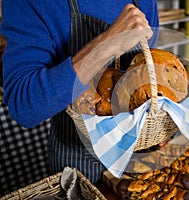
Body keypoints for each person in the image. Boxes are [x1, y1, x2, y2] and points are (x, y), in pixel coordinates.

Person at [0, 0, 159, 184]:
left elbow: (147, 69)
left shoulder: (145, 2)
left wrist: (159, 122)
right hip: (81, 166)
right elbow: (24, 106)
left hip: (139, 160)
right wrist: (105, 45)